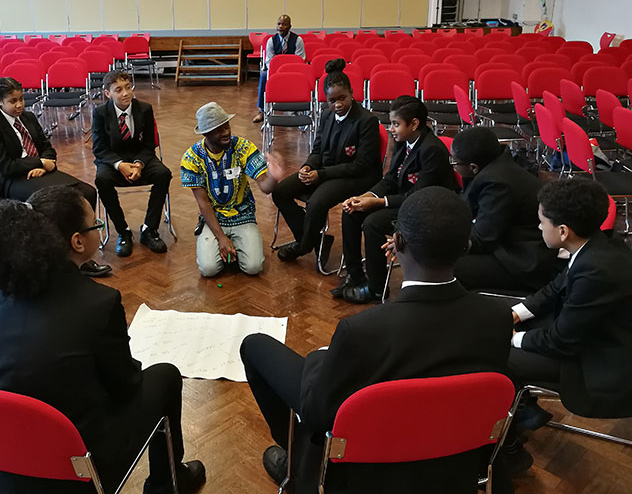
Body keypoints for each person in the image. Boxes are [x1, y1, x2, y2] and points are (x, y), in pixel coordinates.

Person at [240, 187, 513, 494]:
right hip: (454, 460)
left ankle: (298, 461)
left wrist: (320, 357)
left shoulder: (361, 332)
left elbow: (317, 415)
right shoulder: (498, 317)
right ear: (465, 246)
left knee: (255, 346)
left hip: (362, 473)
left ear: (396, 243)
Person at [0, 188, 205, 494]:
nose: (99, 230)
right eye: (96, 225)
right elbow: (125, 386)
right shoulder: (98, 302)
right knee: (165, 375)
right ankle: (167, 484)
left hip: (8, 451)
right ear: (77, 241)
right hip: (78, 463)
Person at [508, 178, 632, 439]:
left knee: (496, 352)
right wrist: (516, 313)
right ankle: (524, 409)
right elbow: (556, 287)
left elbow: (560, 341)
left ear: (563, 231)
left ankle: (517, 425)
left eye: (542, 222)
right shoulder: (597, 244)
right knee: (505, 321)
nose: (540, 227)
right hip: (584, 331)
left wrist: (511, 337)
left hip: (601, 359)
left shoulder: (597, 271)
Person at [334, 96, 458, 303]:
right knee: (352, 212)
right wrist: (364, 197)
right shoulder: (404, 140)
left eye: (395, 124)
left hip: (427, 209)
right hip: (405, 201)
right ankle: (355, 276)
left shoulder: (432, 150)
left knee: (373, 223)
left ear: (414, 124)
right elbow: (391, 179)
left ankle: (375, 289)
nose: (391, 129)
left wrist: (378, 202)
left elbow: (418, 196)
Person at [273, 59, 382, 263]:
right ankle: (318, 240)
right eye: (332, 101)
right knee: (280, 191)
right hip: (328, 170)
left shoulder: (366, 121)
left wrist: (320, 174)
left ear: (351, 92)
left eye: (342, 98)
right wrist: (308, 166)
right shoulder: (326, 116)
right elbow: (317, 149)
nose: (338, 104)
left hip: (357, 176)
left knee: (316, 202)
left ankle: (303, 246)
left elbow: (361, 165)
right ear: (326, 100)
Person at [181, 102, 285, 277]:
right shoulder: (191, 158)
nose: (227, 132)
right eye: (219, 129)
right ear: (206, 134)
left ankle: (237, 245)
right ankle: (227, 245)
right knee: (208, 270)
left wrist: (274, 177)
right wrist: (221, 237)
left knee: (253, 267)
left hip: (243, 215)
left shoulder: (243, 147)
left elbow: (265, 188)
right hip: (213, 218)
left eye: (227, 126)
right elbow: (203, 203)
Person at [450, 127, 560, 292]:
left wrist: (441, 240)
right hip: (507, 242)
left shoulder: (497, 183)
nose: (452, 164)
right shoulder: (493, 164)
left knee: (447, 265)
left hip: (522, 259)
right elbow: (468, 208)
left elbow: (482, 238)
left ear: (473, 167)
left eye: (454, 162)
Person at [0, 77, 97, 206]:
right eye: (13, 101)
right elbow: (4, 167)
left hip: (41, 172)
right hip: (13, 179)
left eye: (21, 99)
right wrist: (39, 162)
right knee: (57, 202)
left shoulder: (28, 117)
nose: (19, 105)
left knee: (88, 192)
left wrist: (45, 166)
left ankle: (85, 226)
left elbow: (47, 148)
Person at [92, 70, 172, 257]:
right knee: (102, 180)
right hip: (112, 160)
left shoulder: (144, 108)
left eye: (128, 87)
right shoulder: (100, 113)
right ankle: (123, 231)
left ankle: (149, 229)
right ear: (108, 93)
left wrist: (138, 164)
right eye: (118, 90)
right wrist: (120, 164)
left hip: (140, 157)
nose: (125, 93)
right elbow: (99, 149)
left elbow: (149, 144)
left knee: (163, 174)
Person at [253, 14, 305, 124]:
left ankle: (295, 109)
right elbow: (269, 61)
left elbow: (300, 59)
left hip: (292, 72)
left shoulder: (298, 40)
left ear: (290, 26)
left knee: (302, 77)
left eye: (284, 24)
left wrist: (287, 71)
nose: (280, 26)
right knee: (263, 75)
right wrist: (279, 72)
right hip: (275, 72)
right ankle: (262, 110)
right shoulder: (271, 41)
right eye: (279, 24)